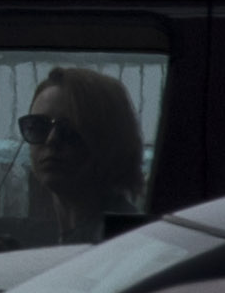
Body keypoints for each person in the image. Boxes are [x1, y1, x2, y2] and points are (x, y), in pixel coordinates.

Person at [21, 64, 145, 243]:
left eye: (70, 129)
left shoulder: (126, 239)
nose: (51, 140)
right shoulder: (46, 237)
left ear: (110, 140)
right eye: (37, 127)